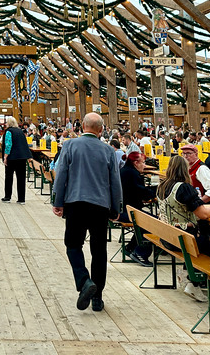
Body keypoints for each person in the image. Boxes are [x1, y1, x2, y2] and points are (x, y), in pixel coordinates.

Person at [52, 113, 121, 312]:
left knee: (73, 245)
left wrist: (58, 201)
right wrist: (116, 207)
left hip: (75, 203)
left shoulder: (70, 146)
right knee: (99, 251)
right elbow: (115, 182)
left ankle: (84, 281)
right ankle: (97, 298)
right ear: (101, 130)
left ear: (82, 126)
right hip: (100, 206)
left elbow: (61, 174)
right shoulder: (108, 150)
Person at [157, 155, 210, 302]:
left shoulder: (162, 186)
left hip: (167, 237)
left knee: (204, 238)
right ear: (184, 170)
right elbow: (203, 214)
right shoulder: (184, 188)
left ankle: (189, 276)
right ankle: (194, 282)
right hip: (183, 240)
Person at [119, 151, 155, 266]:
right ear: (135, 163)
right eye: (143, 163)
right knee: (152, 222)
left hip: (123, 210)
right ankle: (140, 253)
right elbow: (142, 192)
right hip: (127, 212)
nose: (144, 165)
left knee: (149, 219)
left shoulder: (126, 171)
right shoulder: (132, 174)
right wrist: (154, 192)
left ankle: (130, 248)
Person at [1, 116, 31, 203]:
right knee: (21, 178)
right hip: (22, 158)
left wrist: (5, 156)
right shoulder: (20, 131)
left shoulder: (9, 131)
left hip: (12, 158)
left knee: (9, 177)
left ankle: (7, 196)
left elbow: (8, 144)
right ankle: (21, 199)